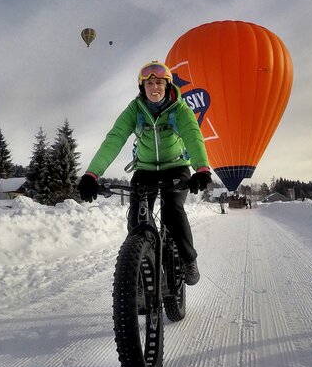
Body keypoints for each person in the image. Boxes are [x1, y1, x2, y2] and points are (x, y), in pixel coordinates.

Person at [78, 61, 212, 285]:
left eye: (159, 82)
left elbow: (193, 135)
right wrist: (91, 174)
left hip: (175, 166)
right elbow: (114, 139)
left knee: (172, 210)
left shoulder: (180, 109)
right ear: (142, 87)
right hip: (145, 169)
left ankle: (189, 259)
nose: (155, 87)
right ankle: (140, 269)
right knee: (136, 220)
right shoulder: (135, 109)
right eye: (149, 83)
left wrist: (202, 168)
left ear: (167, 85)